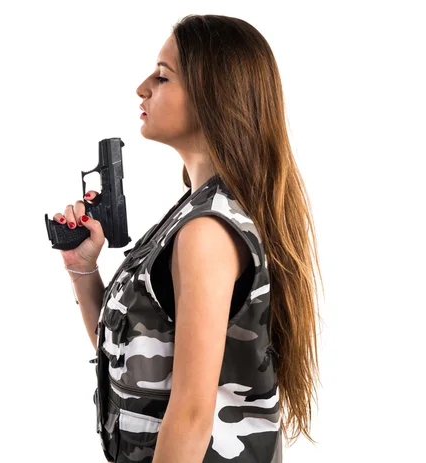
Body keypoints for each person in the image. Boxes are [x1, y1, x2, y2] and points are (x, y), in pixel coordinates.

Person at [52, 14, 322, 463]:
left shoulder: (205, 232)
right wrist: (83, 268)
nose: (142, 87)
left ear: (213, 97)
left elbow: (193, 415)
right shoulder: (194, 212)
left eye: (162, 76)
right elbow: (134, 360)